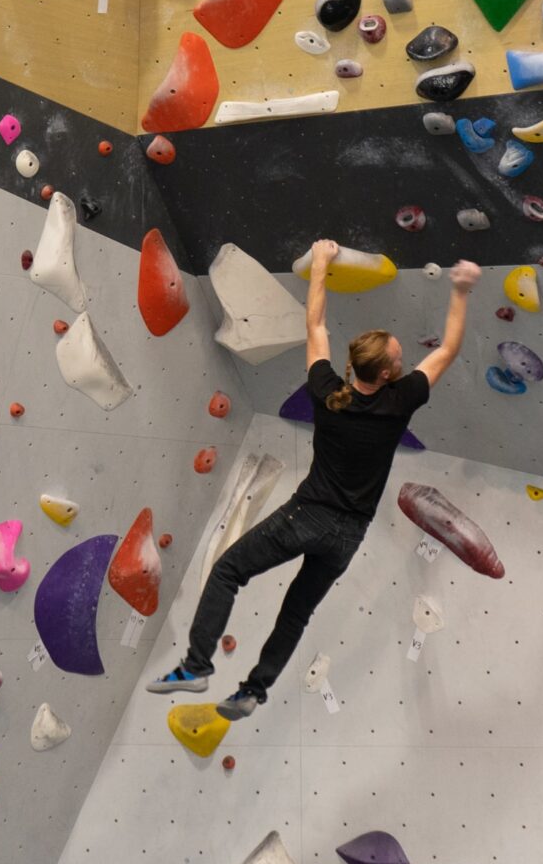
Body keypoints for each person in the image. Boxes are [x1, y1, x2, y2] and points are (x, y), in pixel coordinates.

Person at [149, 241, 483, 719]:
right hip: (349, 535)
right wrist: (462, 290)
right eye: (398, 355)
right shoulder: (400, 400)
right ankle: (253, 691)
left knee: (228, 571)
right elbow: (449, 348)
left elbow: (316, 324)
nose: (403, 357)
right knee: (296, 613)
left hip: (307, 516)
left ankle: (196, 665)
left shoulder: (327, 391)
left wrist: (321, 264)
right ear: (388, 374)